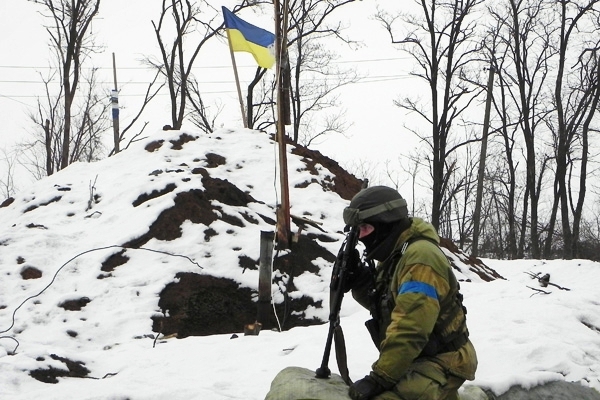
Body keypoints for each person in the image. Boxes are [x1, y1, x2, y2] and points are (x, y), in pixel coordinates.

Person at [342, 186, 477, 400]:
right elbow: (387, 304)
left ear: (385, 224)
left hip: (443, 359)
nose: (360, 237)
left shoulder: (420, 257)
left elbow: (411, 325)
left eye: (365, 228)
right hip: (419, 355)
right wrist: (359, 280)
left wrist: (380, 377)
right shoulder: (396, 254)